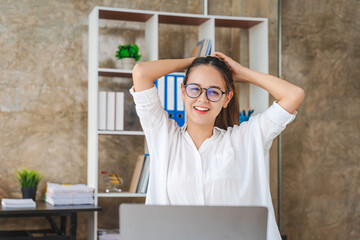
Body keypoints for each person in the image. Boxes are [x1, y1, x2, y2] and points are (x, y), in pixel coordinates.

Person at [130, 52, 304, 240]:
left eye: (213, 92)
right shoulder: (164, 137)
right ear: (182, 91)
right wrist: (195, 62)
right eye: (194, 89)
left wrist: (242, 72)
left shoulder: (245, 140)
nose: (203, 99)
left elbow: (293, 95)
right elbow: (141, 73)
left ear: (226, 99)